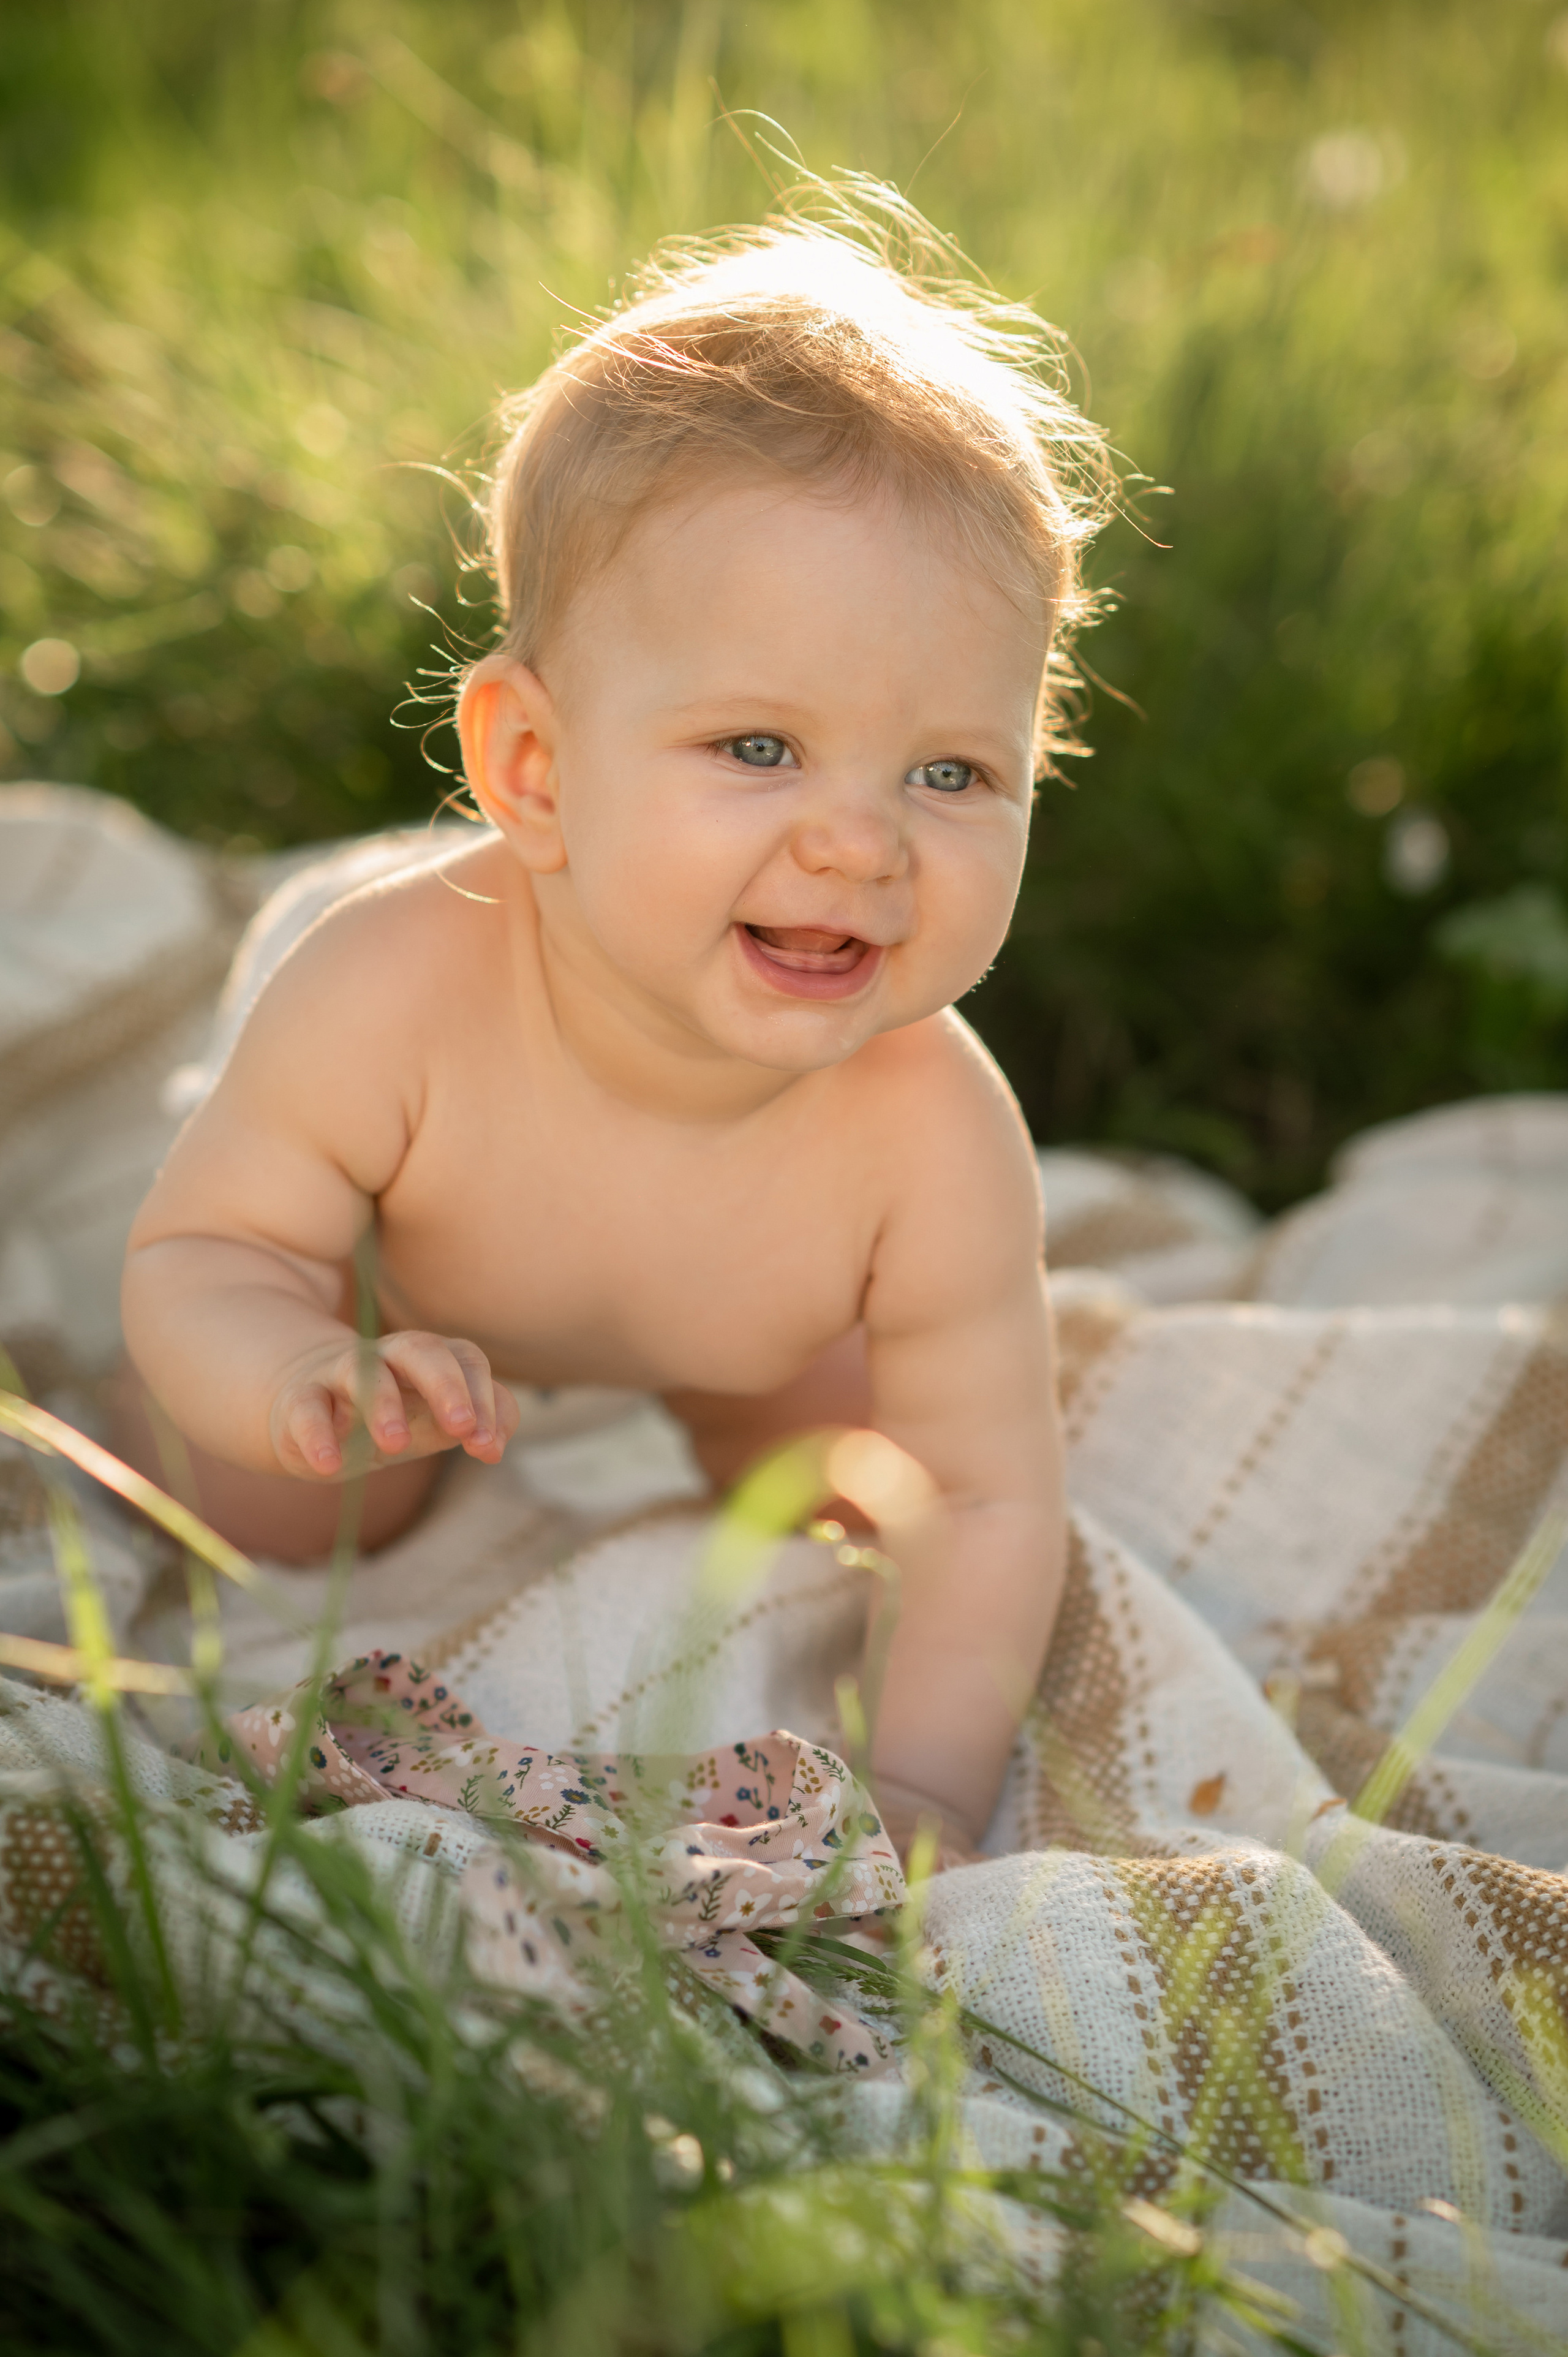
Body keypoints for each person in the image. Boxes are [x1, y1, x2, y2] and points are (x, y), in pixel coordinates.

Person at [119, 186, 1109, 1867]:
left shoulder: (929, 1129)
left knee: (853, 1485)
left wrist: (930, 1790)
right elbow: (198, 1251)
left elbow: (998, 1501)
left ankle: (731, 1409)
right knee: (274, 1510)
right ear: (536, 773)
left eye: (948, 772)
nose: (861, 844)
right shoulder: (388, 996)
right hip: (405, 1277)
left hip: (753, 1320)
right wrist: (294, 1362)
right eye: (760, 749)